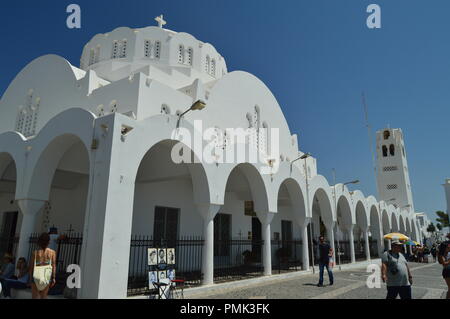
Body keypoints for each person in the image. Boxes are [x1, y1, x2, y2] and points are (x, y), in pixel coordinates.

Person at [29, 232, 56, 299]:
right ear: (48, 241)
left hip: (36, 277)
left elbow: (31, 267)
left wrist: (30, 279)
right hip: (46, 278)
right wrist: (53, 278)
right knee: (43, 297)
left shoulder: (35, 253)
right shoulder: (52, 253)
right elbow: (53, 266)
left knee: (35, 297)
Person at [437, 233, 450, 299]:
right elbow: (443, 263)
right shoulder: (442, 254)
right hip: (447, 271)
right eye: (448, 247)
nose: (449, 247)